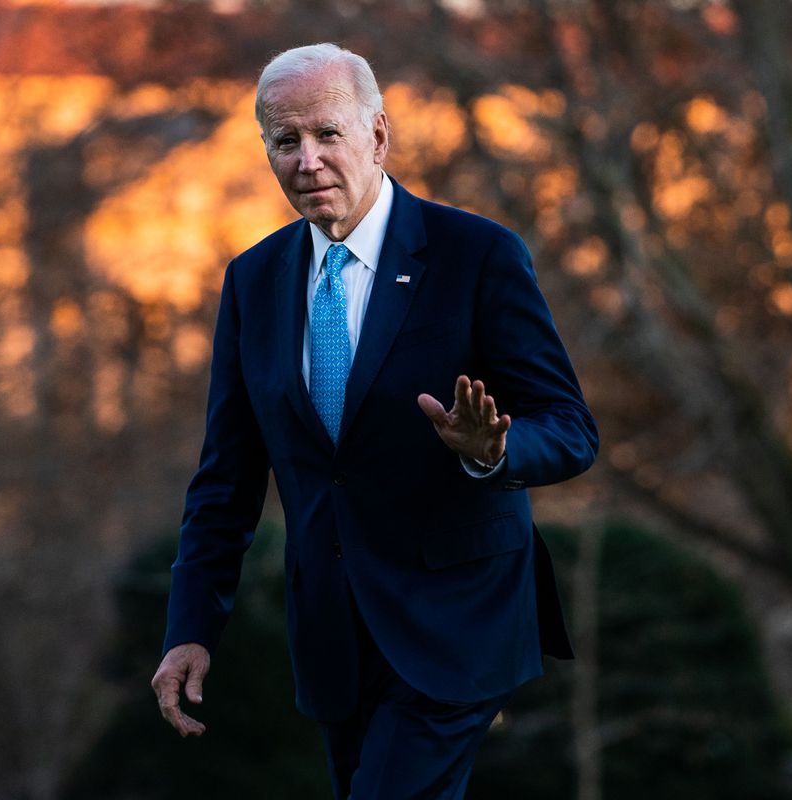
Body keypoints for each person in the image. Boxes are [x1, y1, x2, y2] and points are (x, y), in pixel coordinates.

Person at [151, 42, 598, 799]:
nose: (308, 160)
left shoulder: (476, 255)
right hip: (334, 637)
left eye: (328, 135)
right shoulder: (253, 281)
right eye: (285, 142)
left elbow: (570, 429)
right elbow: (226, 478)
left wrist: (493, 451)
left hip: (458, 622)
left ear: (379, 137)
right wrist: (190, 628)